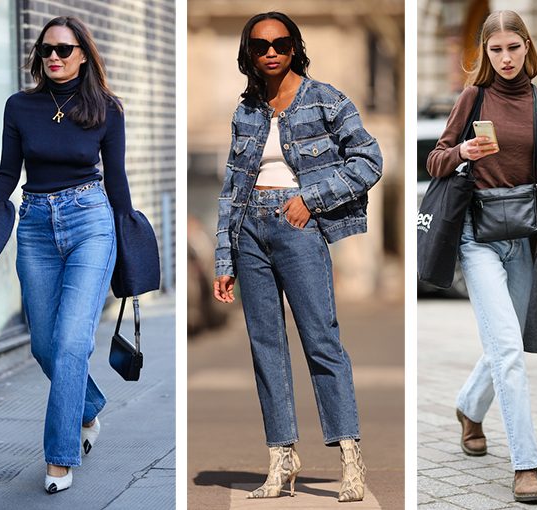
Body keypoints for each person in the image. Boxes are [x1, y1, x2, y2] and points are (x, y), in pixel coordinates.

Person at [212, 11, 382, 502]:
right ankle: (281, 459)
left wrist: (312, 199)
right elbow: (230, 188)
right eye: (260, 45)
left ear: (294, 48)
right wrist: (224, 258)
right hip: (249, 231)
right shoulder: (246, 111)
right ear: (248, 53)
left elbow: (370, 160)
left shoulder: (326, 99)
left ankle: (350, 458)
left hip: (296, 225)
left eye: (281, 44)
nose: (271, 52)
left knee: (322, 341)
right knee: (265, 347)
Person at [0, 16, 133, 494]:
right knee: (43, 345)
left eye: (63, 49)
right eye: (46, 50)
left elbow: (117, 182)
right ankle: (88, 406)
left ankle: (59, 458)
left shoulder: (107, 109)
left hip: (90, 222)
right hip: (36, 224)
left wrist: (132, 248)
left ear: (83, 55)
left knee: (72, 342)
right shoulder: (20, 106)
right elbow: (6, 174)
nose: (53, 57)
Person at [426, 10, 537, 504]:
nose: (506, 58)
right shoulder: (472, 98)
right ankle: (526, 466)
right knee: (508, 350)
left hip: (526, 236)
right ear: (485, 53)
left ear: (527, 46)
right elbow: (436, 159)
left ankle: (469, 408)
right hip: (478, 237)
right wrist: (464, 151)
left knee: (508, 342)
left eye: (513, 47)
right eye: (496, 50)